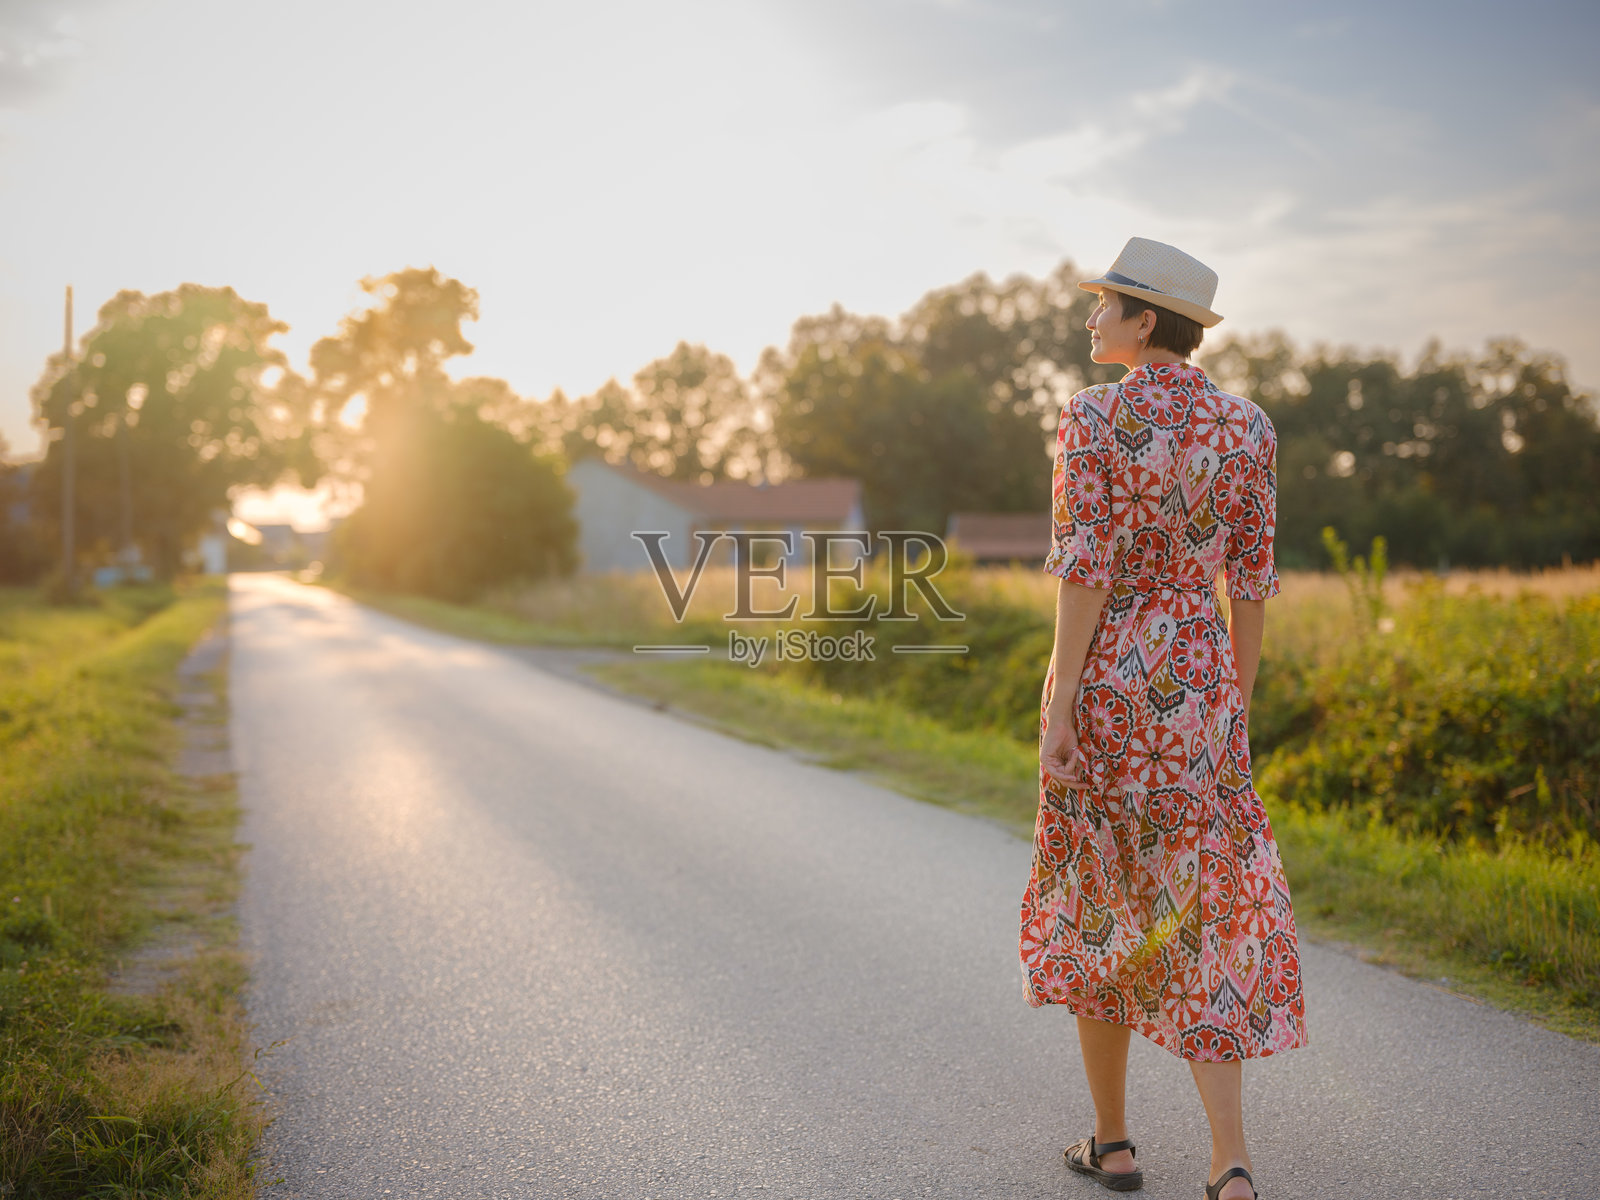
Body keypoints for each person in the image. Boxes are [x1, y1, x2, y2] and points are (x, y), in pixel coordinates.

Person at [1017, 238, 1308, 1200]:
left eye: (1105, 304)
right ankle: (1230, 1162)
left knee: (1104, 902)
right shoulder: (1250, 426)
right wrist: (1236, 710)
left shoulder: (1093, 416)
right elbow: (1252, 585)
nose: (1090, 318)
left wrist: (1059, 702)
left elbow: (1084, 571)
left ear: (1146, 322)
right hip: (1203, 688)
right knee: (1203, 912)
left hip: (1112, 691)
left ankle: (1114, 1144)